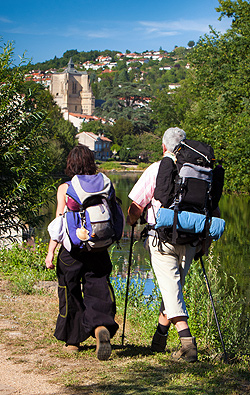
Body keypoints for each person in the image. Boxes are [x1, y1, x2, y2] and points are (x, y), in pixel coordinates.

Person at [127, 127, 219, 363]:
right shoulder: (201, 170)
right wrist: (205, 243)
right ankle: (158, 341)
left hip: (163, 237)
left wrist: (130, 221)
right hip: (191, 238)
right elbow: (213, 208)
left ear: (163, 146)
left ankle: (188, 345)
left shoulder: (158, 168)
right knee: (173, 290)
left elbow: (137, 205)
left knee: (171, 290)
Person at [45, 145, 119, 360]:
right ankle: (100, 328)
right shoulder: (106, 185)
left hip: (72, 251)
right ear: (91, 162)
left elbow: (59, 223)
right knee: (98, 288)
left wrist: (51, 252)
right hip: (99, 247)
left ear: (71, 163)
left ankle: (73, 340)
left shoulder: (66, 187)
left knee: (69, 291)